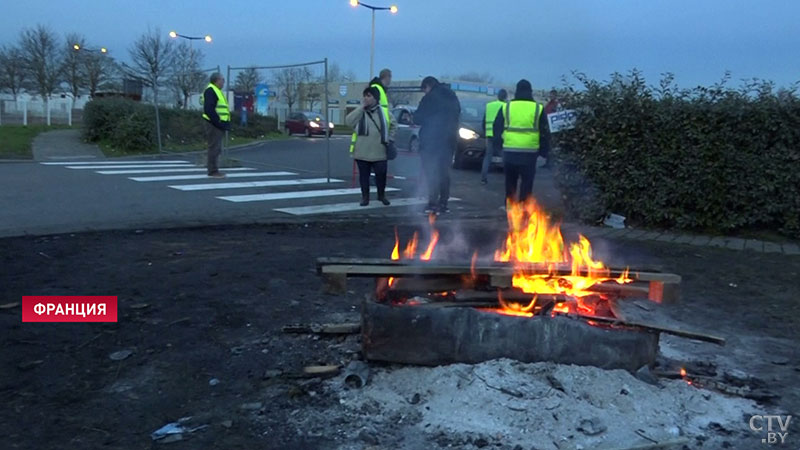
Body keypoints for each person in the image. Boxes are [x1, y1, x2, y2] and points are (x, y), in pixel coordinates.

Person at [493, 79, 550, 204]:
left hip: (509, 151)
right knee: (527, 182)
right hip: (530, 153)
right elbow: (545, 132)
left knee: (510, 182)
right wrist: (544, 151)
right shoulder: (538, 108)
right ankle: (524, 207)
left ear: (516, 92)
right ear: (530, 92)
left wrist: (497, 148)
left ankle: (510, 208)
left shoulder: (507, 107)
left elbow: (496, 128)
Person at [414, 76, 461, 214]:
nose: (425, 93)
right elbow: (457, 114)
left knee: (431, 172)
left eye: (424, 90)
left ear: (428, 86)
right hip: (449, 140)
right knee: (444, 172)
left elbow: (418, 118)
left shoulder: (430, 98)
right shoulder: (452, 96)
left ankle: (432, 203)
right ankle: (444, 203)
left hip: (432, 142)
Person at [345, 86, 396, 207]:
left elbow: (394, 125)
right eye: (365, 96)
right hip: (362, 151)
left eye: (369, 96)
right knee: (364, 176)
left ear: (376, 98)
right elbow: (348, 121)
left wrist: (390, 138)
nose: (366, 98)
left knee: (381, 175)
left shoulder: (384, 112)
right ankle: (365, 197)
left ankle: (381, 195)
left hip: (380, 151)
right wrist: (361, 108)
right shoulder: (360, 112)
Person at [201, 72, 231, 178]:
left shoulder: (215, 90)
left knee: (216, 147)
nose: (223, 82)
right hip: (213, 124)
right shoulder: (211, 91)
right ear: (217, 80)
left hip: (216, 124)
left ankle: (214, 169)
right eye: (222, 80)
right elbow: (209, 109)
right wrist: (218, 122)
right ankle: (213, 171)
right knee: (214, 147)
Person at [481, 89, 508, 184]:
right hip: (502, 136)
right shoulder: (506, 107)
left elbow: (484, 122)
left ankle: (483, 178)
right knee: (504, 157)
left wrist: (486, 133)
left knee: (487, 157)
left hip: (490, 135)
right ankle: (508, 178)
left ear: (497, 96)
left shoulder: (489, 105)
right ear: (505, 97)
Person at [540, 89, 559, 169]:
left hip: (554, 129)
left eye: (552, 95)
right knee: (548, 146)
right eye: (550, 95)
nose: (551, 96)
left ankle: (551, 162)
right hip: (548, 127)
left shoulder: (557, 104)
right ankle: (548, 162)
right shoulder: (548, 104)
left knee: (552, 146)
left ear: (555, 96)